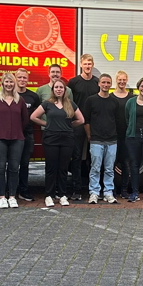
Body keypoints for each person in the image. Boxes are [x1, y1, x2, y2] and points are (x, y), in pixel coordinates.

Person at [30, 79, 84, 207]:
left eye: (61, 87)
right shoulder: (47, 104)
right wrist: (46, 124)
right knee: (51, 168)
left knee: (63, 168)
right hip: (50, 139)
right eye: (56, 87)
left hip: (67, 139)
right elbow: (33, 117)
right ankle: (49, 195)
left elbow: (81, 120)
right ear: (53, 90)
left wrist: (69, 126)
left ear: (65, 90)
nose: (59, 89)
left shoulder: (70, 104)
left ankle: (62, 194)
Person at [0, 72, 29, 209]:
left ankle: (12, 196)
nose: (9, 84)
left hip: (17, 138)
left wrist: (17, 130)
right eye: (6, 82)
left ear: (14, 83)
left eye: (11, 82)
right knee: (0, 168)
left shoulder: (20, 101)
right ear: (2, 83)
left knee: (14, 168)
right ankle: (2, 197)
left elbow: (25, 120)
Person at [82, 74, 120, 204]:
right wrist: (89, 135)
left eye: (108, 83)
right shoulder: (91, 100)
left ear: (111, 84)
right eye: (103, 82)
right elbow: (85, 120)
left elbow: (117, 120)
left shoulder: (114, 101)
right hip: (96, 140)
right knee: (95, 168)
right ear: (99, 84)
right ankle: (94, 192)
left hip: (111, 140)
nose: (106, 85)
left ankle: (108, 192)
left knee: (109, 169)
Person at [68, 55, 100, 201]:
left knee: (94, 158)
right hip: (78, 125)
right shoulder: (73, 82)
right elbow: (69, 103)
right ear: (81, 65)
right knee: (77, 157)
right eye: (85, 63)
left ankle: (93, 189)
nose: (88, 66)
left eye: (90, 63)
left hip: (94, 125)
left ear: (92, 65)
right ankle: (77, 189)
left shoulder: (96, 82)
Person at [15, 68, 41, 201]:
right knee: (13, 164)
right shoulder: (10, 95)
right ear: (15, 78)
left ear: (28, 80)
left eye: (24, 78)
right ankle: (11, 190)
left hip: (27, 135)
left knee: (25, 163)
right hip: (12, 135)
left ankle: (23, 191)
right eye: (19, 77)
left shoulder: (33, 97)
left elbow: (38, 113)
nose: (22, 80)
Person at [111, 71, 133, 198]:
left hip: (127, 136)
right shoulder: (110, 97)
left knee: (125, 163)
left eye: (124, 80)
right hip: (113, 135)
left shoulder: (131, 98)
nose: (122, 82)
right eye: (119, 79)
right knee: (111, 164)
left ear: (127, 80)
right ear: (116, 80)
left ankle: (124, 189)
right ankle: (112, 189)